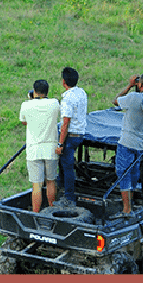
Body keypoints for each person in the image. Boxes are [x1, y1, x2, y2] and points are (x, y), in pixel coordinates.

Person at [112, 72, 143, 215]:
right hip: (141, 143)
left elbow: (116, 101)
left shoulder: (133, 98)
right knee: (133, 174)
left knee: (123, 174)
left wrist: (129, 85)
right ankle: (131, 204)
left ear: (140, 84)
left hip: (127, 142)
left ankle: (126, 209)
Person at [19, 79, 61, 212]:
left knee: (36, 185)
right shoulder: (54, 103)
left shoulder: (26, 105)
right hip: (51, 149)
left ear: (34, 91)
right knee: (50, 181)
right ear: (47, 91)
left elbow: (24, 122)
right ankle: (51, 210)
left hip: (34, 150)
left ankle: (36, 213)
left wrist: (31, 100)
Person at [54, 67, 87, 207]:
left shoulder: (67, 98)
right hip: (80, 133)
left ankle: (69, 197)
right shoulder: (82, 92)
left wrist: (60, 144)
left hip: (70, 136)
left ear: (63, 82)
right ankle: (63, 190)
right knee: (65, 164)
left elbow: (65, 122)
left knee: (67, 167)